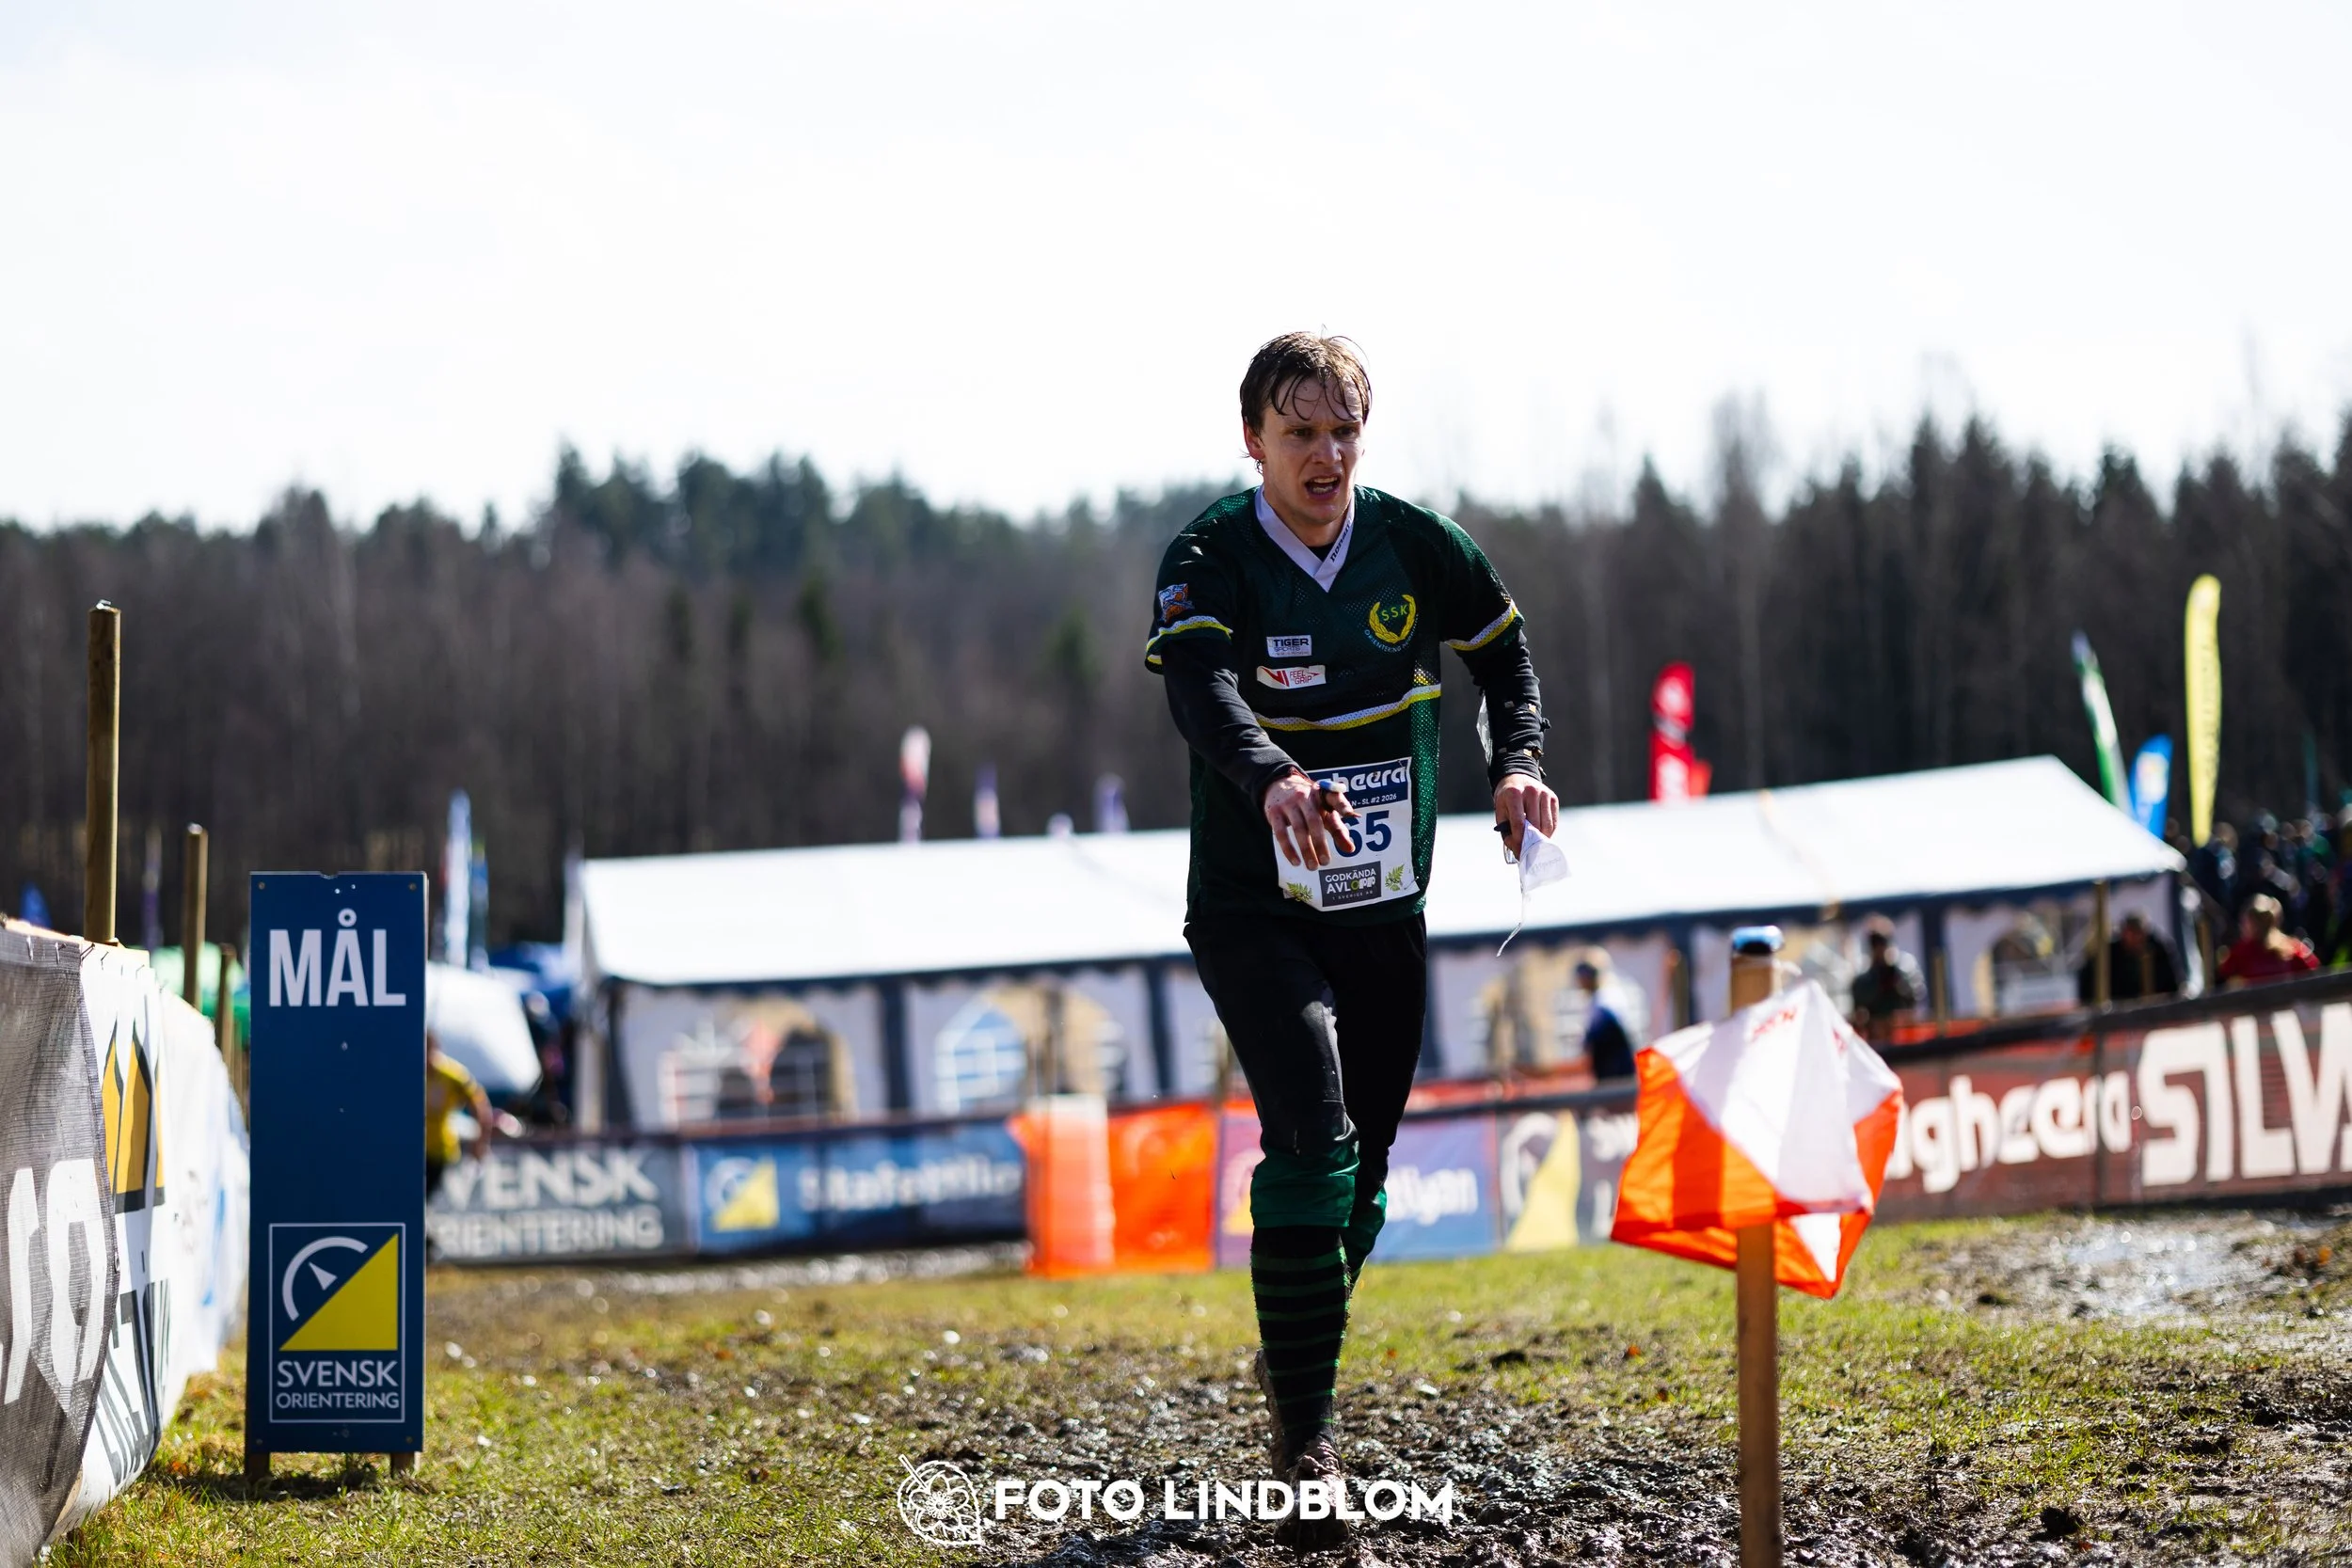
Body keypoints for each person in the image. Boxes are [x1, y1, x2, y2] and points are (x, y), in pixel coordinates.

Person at [1148, 332, 1555, 1544]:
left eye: (1342, 432)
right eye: (1298, 433)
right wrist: (1270, 773)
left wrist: (1519, 764)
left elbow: (1505, 655)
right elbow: (1197, 687)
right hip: (1253, 910)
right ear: (1253, 439)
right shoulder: (1212, 552)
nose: (1324, 456)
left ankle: (1294, 1358)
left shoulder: (1416, 544)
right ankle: (1307, 1444)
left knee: (1362, 1184)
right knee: (1313, 1139)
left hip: (1385, 917)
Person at [426, 1036, 493, 1200]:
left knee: (425, 1198)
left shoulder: (454, 1076)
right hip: (411, 1149)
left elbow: (481, 1109)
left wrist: (480, 1144)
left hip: (439, 1149)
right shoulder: (409, 1073)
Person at [2217, 894, 2319, 988]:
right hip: (2262, 1004)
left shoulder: (2291, 948)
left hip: (2282, 1004)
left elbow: (2313, 973)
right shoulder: (2242, 951)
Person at [2076, 911, 2180, 1004]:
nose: (2135, 937)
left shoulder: (2159, 951)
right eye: (2130, 932)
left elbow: (2173, 985)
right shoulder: (2108, 954)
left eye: (2138, 933)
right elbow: (2089, 982)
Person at [1848, 917, 1924, 1042]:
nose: (1880, 950)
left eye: (1882, 944)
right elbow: (1859, 1013)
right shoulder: (1864, 981)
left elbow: (1915, 1001)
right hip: (1876, 1039)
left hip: (1904, 1037)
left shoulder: (1903, 972)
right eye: (1876, 945)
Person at [1574, 955, 1636, 1082]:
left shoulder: (1605, 1000)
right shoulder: (1594, 1000)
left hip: (1617, 1071)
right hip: (1607, 1070)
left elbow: (1604, 1035)